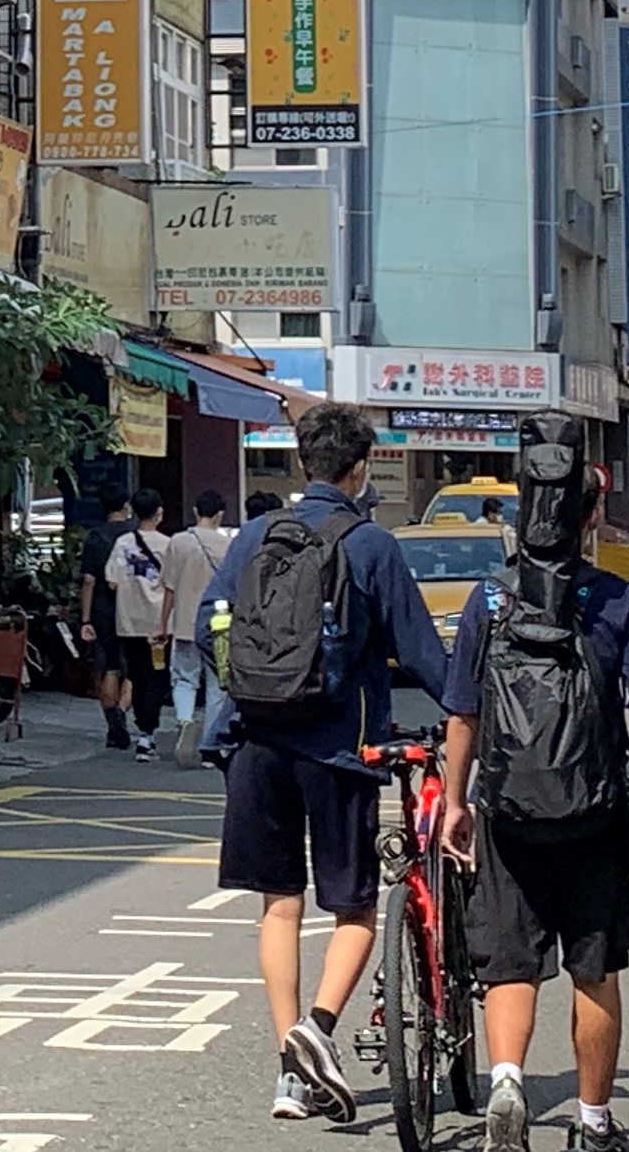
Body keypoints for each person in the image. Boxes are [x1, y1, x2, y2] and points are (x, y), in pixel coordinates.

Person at [200, 402, 448, 1124]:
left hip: (254, 739)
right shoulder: (371, 545)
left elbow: (208, 624)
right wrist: (477, 705)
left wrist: (245, 692)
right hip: (340, 747)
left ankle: (290, 1072)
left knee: (279, 904)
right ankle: (318, 1029)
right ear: (361, 466)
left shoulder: (254, 536)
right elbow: (425, 656)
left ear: (305, 461)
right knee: (355, 908)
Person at [435, 423, 629, 1152]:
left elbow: (464, 711)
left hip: (508, 810)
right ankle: (594, 1120)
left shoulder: (489, 601)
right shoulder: (618, 602)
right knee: (594, 969)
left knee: (510, 962)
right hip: (594, 812)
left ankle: (507, 1079)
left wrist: (454, 799)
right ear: (591, 516)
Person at [103, 490, 179, 759]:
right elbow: (173, 584)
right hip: (160, 624)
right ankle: (148, 734)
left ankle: (144, 732)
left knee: (135, 674)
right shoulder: (169, 544)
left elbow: (112, 581)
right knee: (157, 676)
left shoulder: (124, 543)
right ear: (159, 513)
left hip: (130, 622)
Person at [161, 490, 238, 752]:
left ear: (195, 512)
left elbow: (169, 588)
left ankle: (185, 720)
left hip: (184, 623)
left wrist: (162, 625)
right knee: (218, 685)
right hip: (220, 626)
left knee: (184, 678)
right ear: (220, 515)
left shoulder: (178, 542)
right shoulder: (229, 545)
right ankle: (211, 743)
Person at [82, 489, 138, 750]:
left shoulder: (96, 536)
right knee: (135, 665)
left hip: (103, 607)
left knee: (109, 665)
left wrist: (85, 618)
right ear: (126, 506)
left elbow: (89, 580)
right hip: (133, 606)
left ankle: (111, 721)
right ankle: (122, 711)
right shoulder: (136, 535)